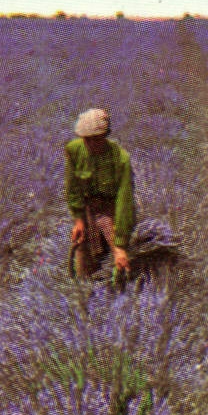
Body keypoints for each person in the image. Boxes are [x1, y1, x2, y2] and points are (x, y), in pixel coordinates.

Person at [65, 107, 136, 283]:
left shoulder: (120, 158)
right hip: (88, 208)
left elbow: (124, 202)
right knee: (83, 264)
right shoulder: (74, 150)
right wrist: (78, 220)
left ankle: (120, 292)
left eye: (95, 140)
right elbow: (73, 188)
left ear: (105, 136)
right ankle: (87, 293)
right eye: (86, 139)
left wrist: (120, 245)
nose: (90, 144)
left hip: (110, 208)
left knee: (121, 261)